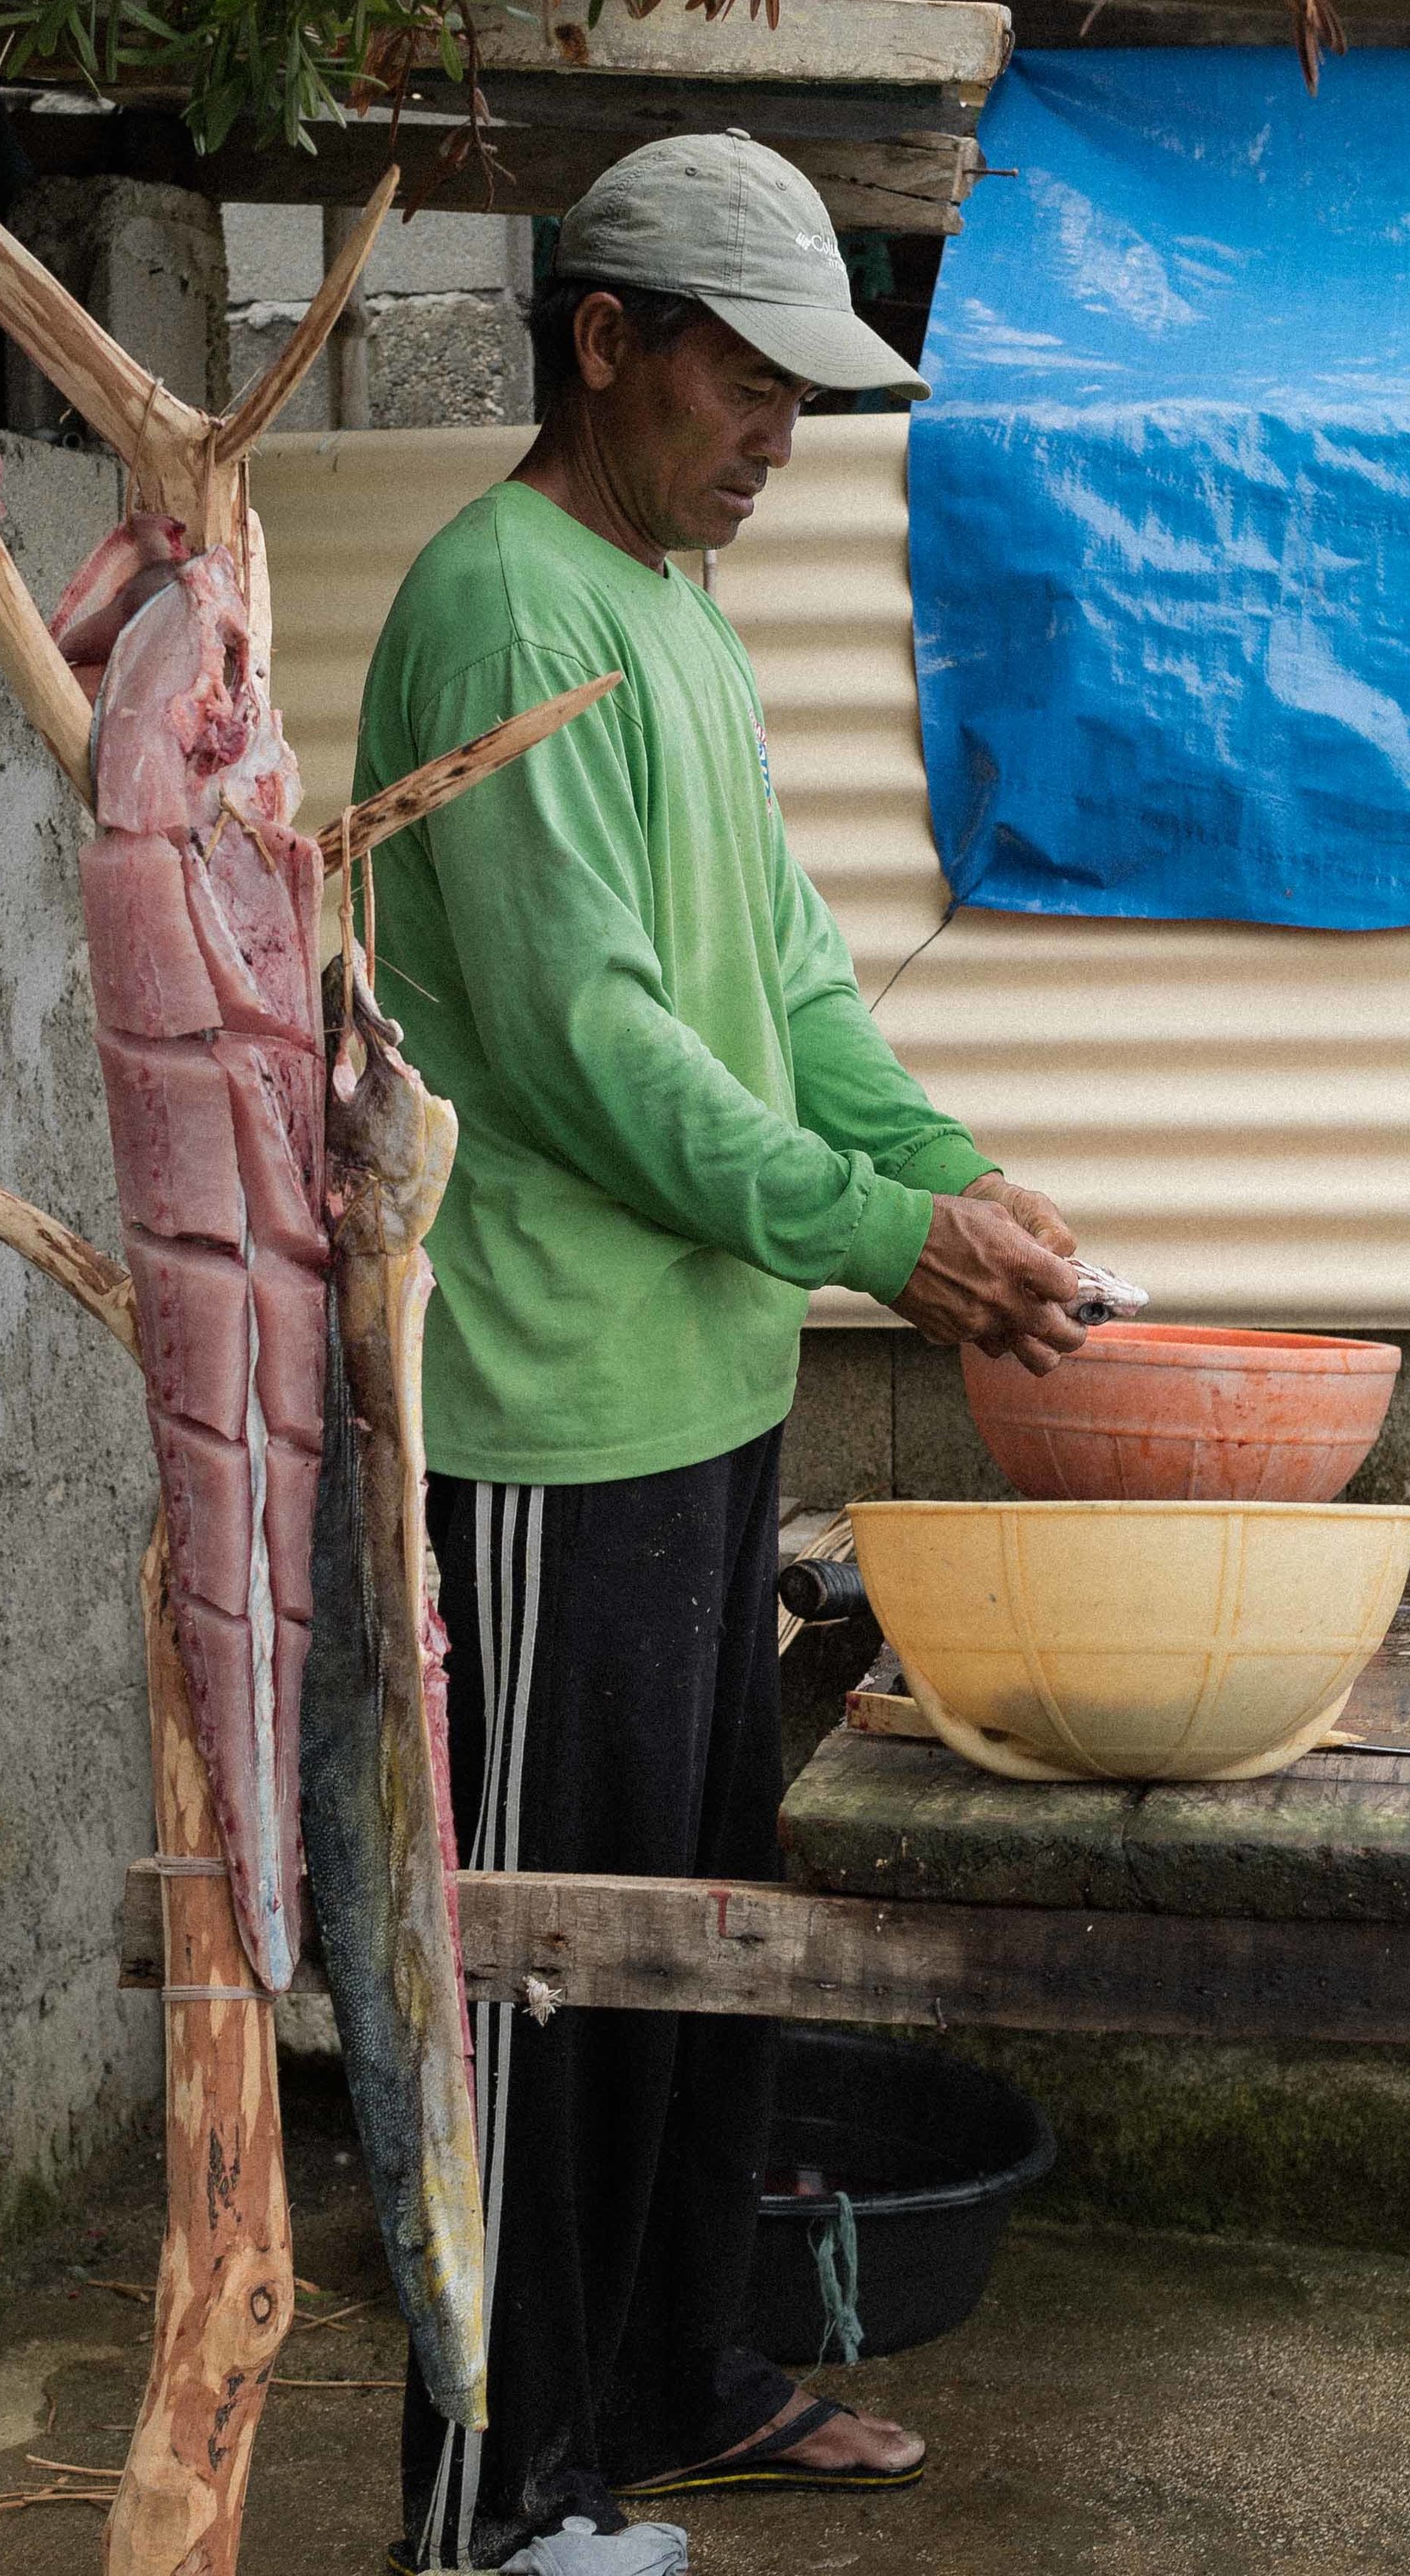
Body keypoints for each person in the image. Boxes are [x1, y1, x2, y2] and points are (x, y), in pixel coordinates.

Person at [353, 134, 1085, 2576]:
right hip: (540, 1418)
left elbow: (778, 994)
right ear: (602, 341)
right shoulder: (495, 605)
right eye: (745, 379)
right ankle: (500, 2486)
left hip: (698, 1391)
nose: (780, 432)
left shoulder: (665, 606)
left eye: (801, 391)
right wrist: (874, 1229)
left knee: (692, 1929)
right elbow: (586, 1051)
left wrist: (949, 1182)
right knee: (544, 1975)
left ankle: (674, 2380)